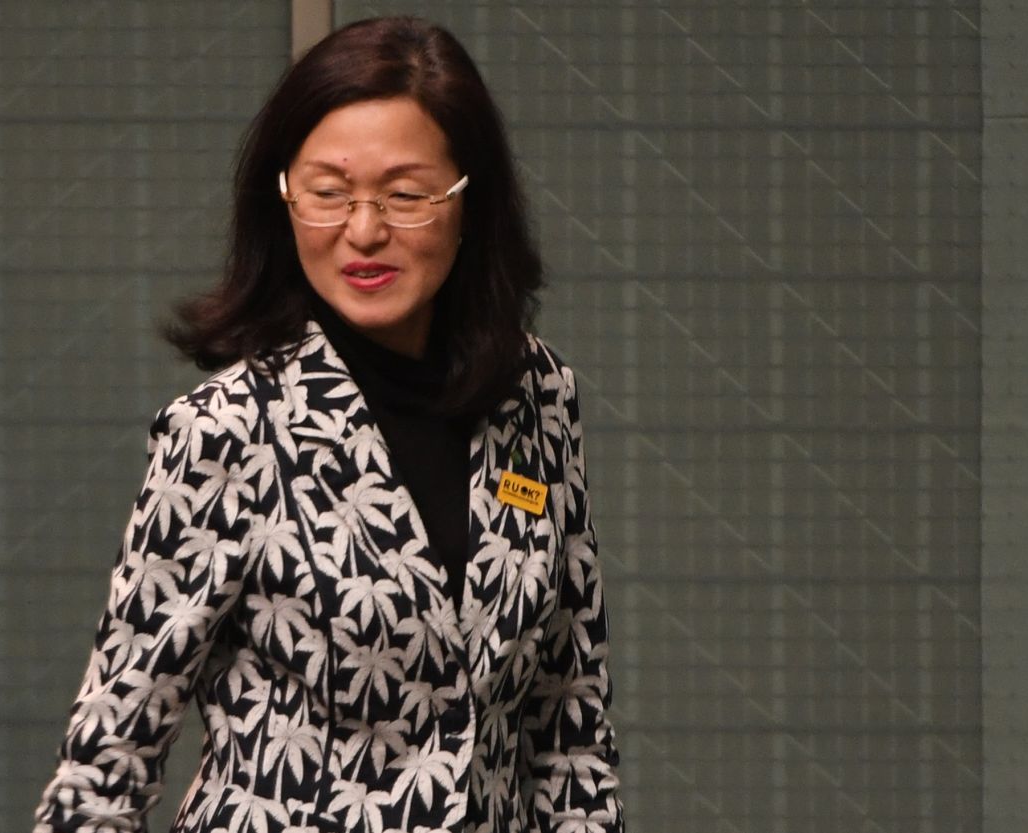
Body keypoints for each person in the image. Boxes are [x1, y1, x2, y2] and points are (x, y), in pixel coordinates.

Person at [33, 17, 623, 833]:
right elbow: (108, 764)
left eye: (406, 194)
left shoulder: (537, 395)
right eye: (328, 191)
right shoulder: (226, 428)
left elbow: (571, 729)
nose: (364, 229)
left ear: (467, 200)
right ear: (284, 199)